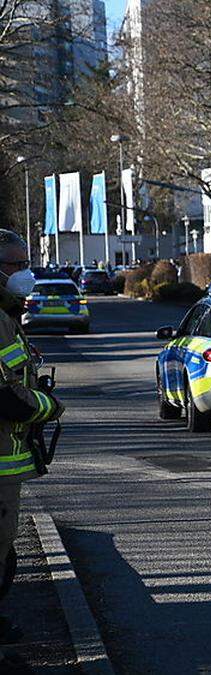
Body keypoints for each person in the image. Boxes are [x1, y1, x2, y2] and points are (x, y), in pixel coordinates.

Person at [0, 230, 64, 641]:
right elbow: (6, 397)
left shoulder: (7, 317)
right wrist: (50, 408)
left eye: (27, 263)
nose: (26, 273)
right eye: (16, 265)